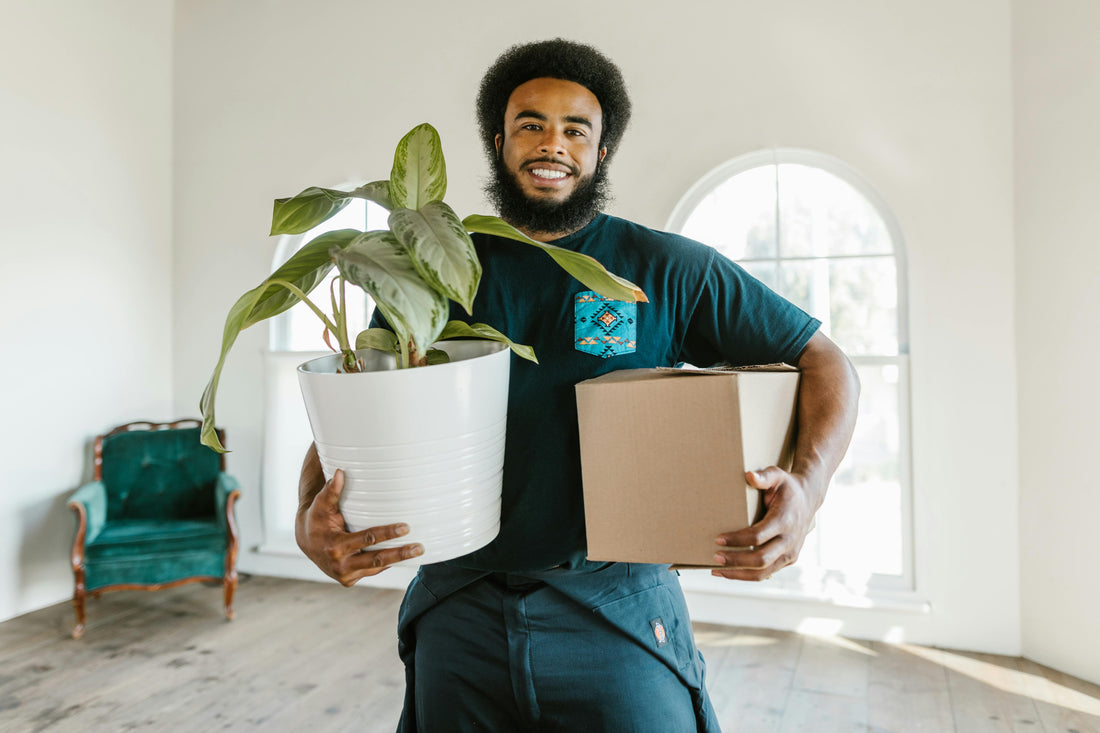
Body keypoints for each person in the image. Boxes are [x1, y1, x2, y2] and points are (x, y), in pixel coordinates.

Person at [295, 38, 860, 731]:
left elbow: (826, 361)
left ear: (601, 152)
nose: (551, 143)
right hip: (458, 604)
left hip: (616, 604)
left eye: (575, 129)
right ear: (499, 142)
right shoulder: (429, 270)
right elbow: (359, 401)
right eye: (530, 124)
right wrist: (306, 513)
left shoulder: (665, 268)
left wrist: (808, 490)